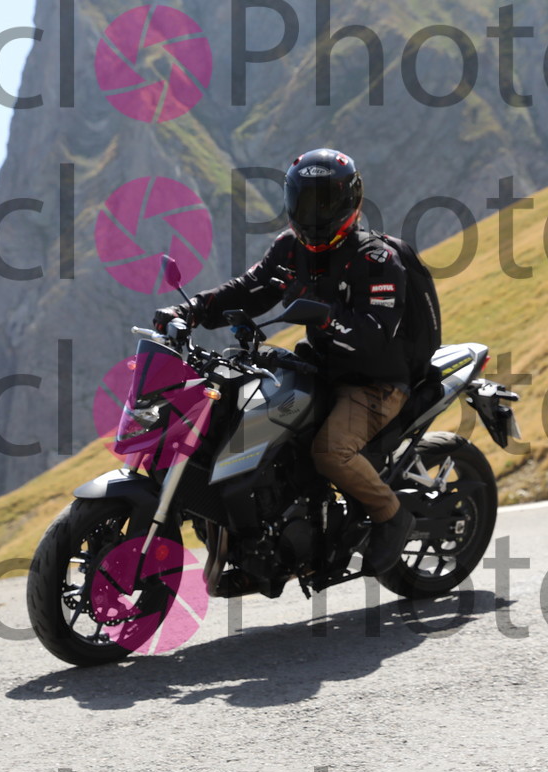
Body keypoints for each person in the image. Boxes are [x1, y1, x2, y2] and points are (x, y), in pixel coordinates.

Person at [153, 148, 416, 573]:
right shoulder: (291, 249)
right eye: (305, 201)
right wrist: (191, 310)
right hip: (319, 369)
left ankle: (392, 516)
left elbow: (376, 334)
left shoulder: (376, 260)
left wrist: (327, 317)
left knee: (330, 452)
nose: (313, 214)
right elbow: (250, 288)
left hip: (375, 383)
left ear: (349, 202)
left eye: (324, 202)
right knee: (241, 423)